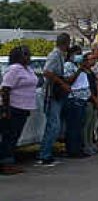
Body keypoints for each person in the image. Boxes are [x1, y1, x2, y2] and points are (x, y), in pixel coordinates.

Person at [1, 46, 38, 174]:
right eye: (26, 54)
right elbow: (5, 89)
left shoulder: (27, 69)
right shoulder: (14, 69)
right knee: (9, 136)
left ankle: (8, 161)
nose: (29, 57)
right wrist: (6, 109)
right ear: (19, 56)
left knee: (15, 135)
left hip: (23, 108)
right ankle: (6, 164)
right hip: (13, 108)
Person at [37, 32, 72, 166]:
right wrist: (62, 83)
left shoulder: (61, 56)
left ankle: (47, 152)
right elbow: (47, 72)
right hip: (51, 94)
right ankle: (45, 154)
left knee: (55, 125)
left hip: (57, 94)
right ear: (66, 43)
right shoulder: (54, 55)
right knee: (53, 124)